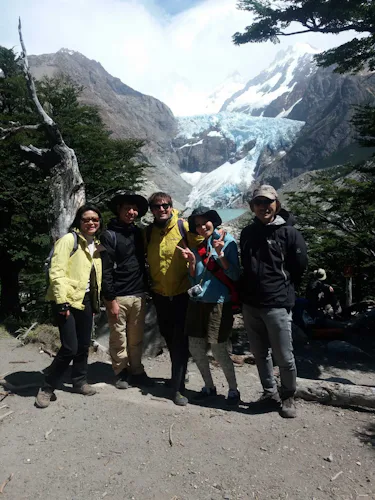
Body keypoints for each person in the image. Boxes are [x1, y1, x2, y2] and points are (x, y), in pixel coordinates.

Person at [240, 185, 308, 418]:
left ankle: (288, 395)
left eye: (268, 202)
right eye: (258, 202)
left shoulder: (289, 233)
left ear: (276, 205)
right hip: (251, 303)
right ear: (252, 207)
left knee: (284, 356)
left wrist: (283, 290)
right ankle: (270, 393)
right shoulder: (247, 233)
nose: (263, 206)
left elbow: (298, 267)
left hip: (277, 302)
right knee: (260, 353)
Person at [35, 204, 103, 408]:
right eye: (86, 219)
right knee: (70, 347)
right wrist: (62, 301)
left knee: (83, 345)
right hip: (65, 300)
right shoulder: (68, 240)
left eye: (95, 219)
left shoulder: (96, 244)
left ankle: (79, 381)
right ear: (78, 222)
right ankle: (47, 387)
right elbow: (56, 271)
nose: (91, 222)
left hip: (86, 300)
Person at [179, 206, 241, 406]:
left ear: (213, 221)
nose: (201, 226)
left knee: (218, 349)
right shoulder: (200, 247)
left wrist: (221, 254)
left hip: (218, 303)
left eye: (204, 222)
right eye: (197, 225)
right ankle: (209, 386)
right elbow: (194, 278)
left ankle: (233, 390)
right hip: (198, 304)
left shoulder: (227, 242)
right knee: (195, 347)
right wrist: (190, 262)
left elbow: (234, 275)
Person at [145, 192, 202, 406]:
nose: (162, 209)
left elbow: (203, 238)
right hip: (160, 295)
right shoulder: (149, 232)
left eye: (166, 205)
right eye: (157, 206)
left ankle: (178, 387)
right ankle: (177, 375)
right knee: (169, 337)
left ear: (171, 206)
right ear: (151, 209)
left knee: (179, 341)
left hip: (181, 294)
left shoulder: (183, 227)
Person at [100, 192, 153, 389]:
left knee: (136, 337)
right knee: (118, 337)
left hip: (138, 293)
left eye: (134, 209)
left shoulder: (139, 233)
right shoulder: (109, 235)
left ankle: (137, 370)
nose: (131, 212)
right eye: (127, 208)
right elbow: (105, 269)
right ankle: (120, 371)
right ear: (119, 210)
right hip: (118, 295)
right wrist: (110, 298)